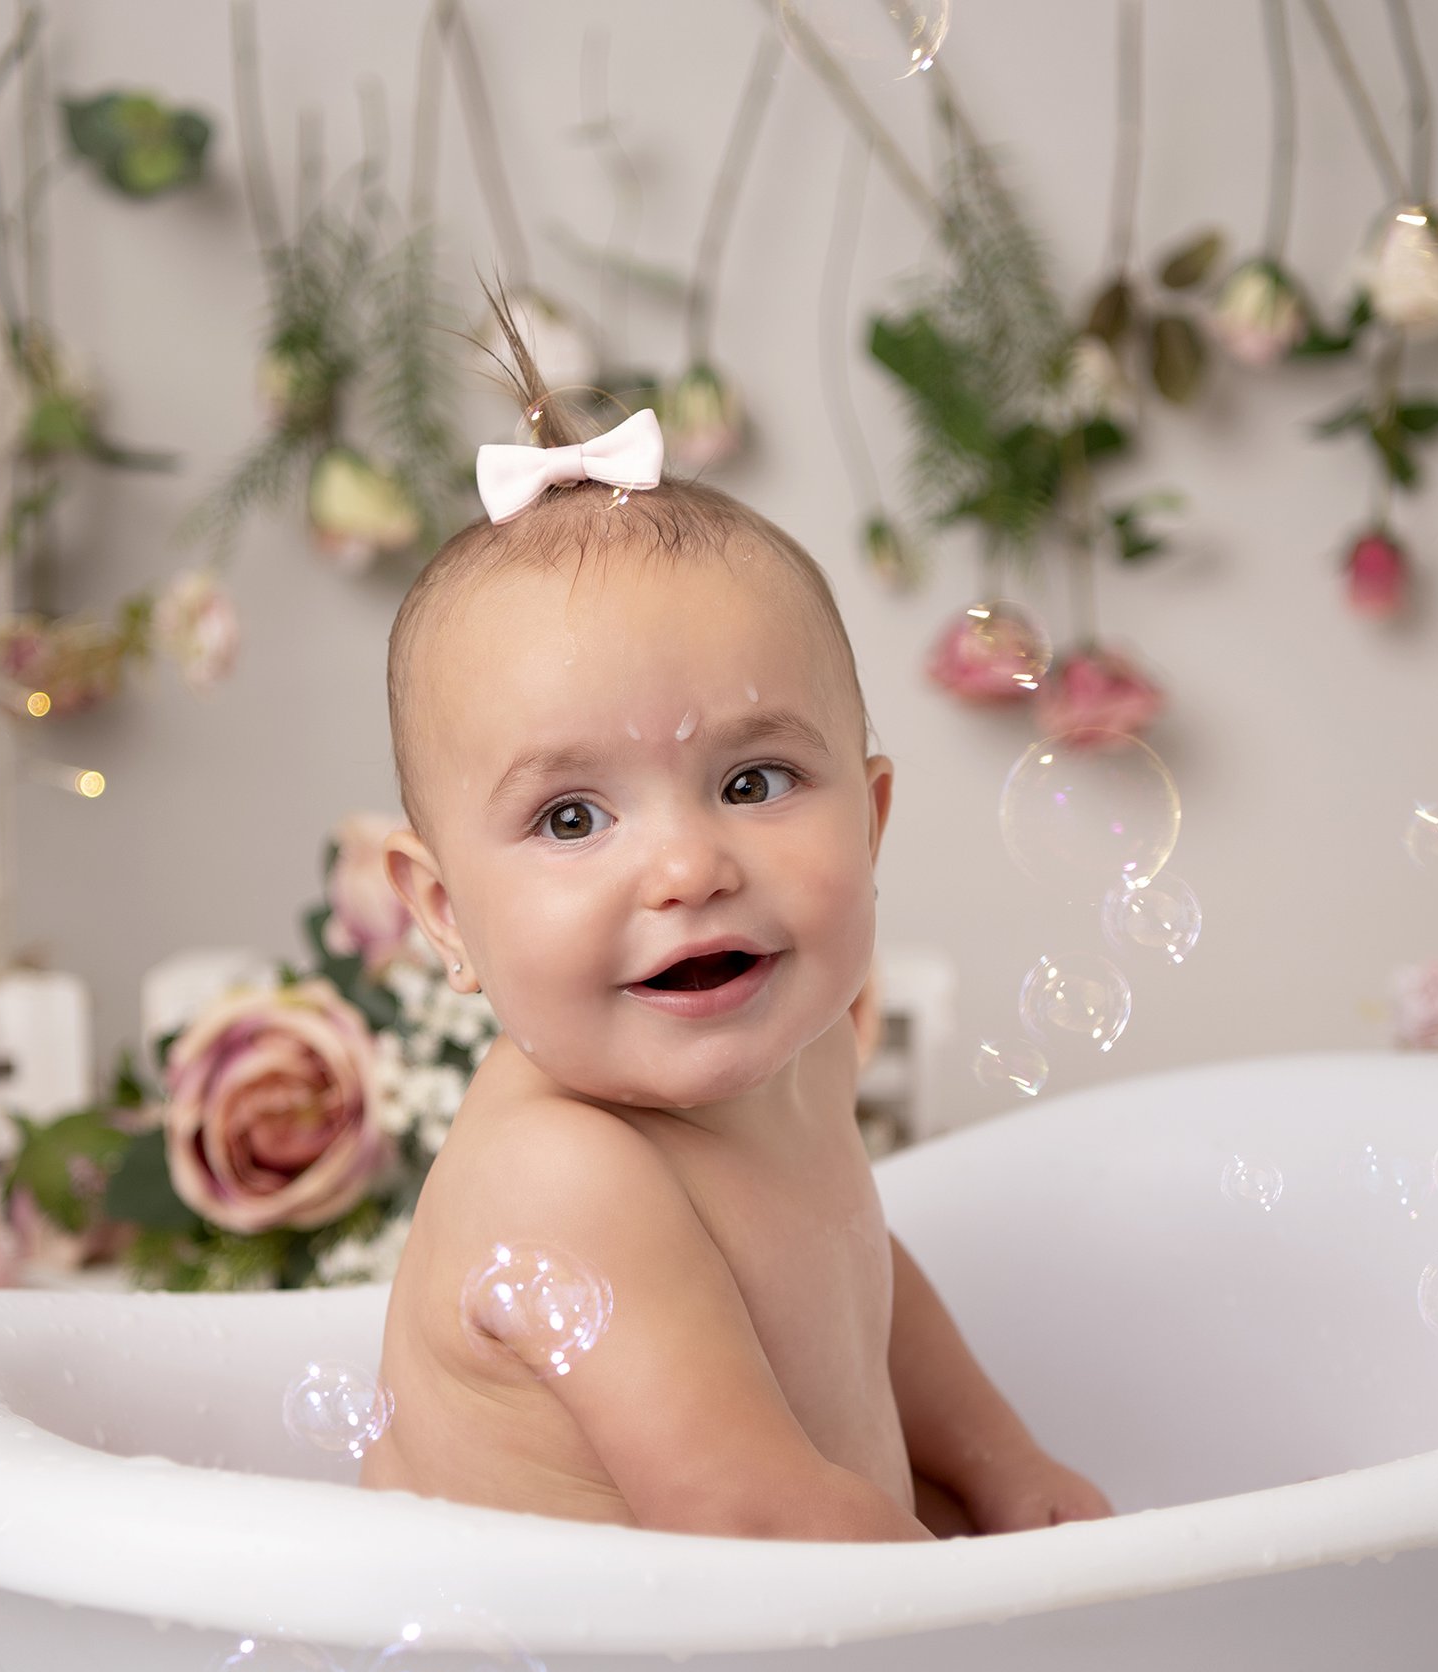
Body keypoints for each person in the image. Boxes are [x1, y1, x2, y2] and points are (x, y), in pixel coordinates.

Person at [355, 276, 1111, 1542]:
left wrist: (996, 1457)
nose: (688, 868)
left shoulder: (801, 1051)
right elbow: (744, 1517)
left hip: (778, 1648)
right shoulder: (561, 1173)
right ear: (441, 915)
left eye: (752, 782)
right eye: (572, 818)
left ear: (868, 824)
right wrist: (1004, 1626)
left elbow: (852, 1272)